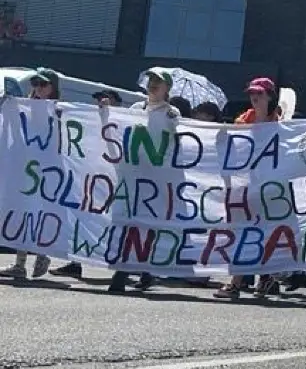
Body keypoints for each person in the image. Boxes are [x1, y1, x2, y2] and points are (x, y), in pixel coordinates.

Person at [110, 69, 180, 293]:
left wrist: (176, 123)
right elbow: (116, 128)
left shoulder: (172, 113)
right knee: (127, 222)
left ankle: (144, 270)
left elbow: (185, 140)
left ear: (167, 88)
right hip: (132, 177)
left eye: (158, 82)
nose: (153, 85)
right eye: (151, 81)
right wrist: (103, 111)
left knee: (148, 225)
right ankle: (123, 271)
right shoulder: (134, 110)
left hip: (156, 180)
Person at [215, 78, 282, 299]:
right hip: (247, 184)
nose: (254, 97)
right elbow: (233, 145)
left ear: (270, 96)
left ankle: (265, 277)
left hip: (271, 187)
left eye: (260, 94)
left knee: (264, 233)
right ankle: (236, 282)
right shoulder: (244, 119)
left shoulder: (280, 122)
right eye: (252, 93)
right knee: (243, 231)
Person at [50, 89, 126, 280]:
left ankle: (137, 269)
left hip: (114, 182)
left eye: (106, 98)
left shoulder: (125, 122)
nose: (101, 101)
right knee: (81, 219)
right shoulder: (90, 119)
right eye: (99, 99)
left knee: (116, 224)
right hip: (91, 181)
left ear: (117, 102)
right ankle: (75, 263)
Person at [1, 68, 60, 281]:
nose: (37, 89)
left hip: (47, 173)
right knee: (20, 212)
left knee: (40, 214)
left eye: (43, 85)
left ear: (52, 88)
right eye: (35, 84)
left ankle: (43, 254)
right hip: (24, 169)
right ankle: (20, 264)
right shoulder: (21, 107)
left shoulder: (60, 110)